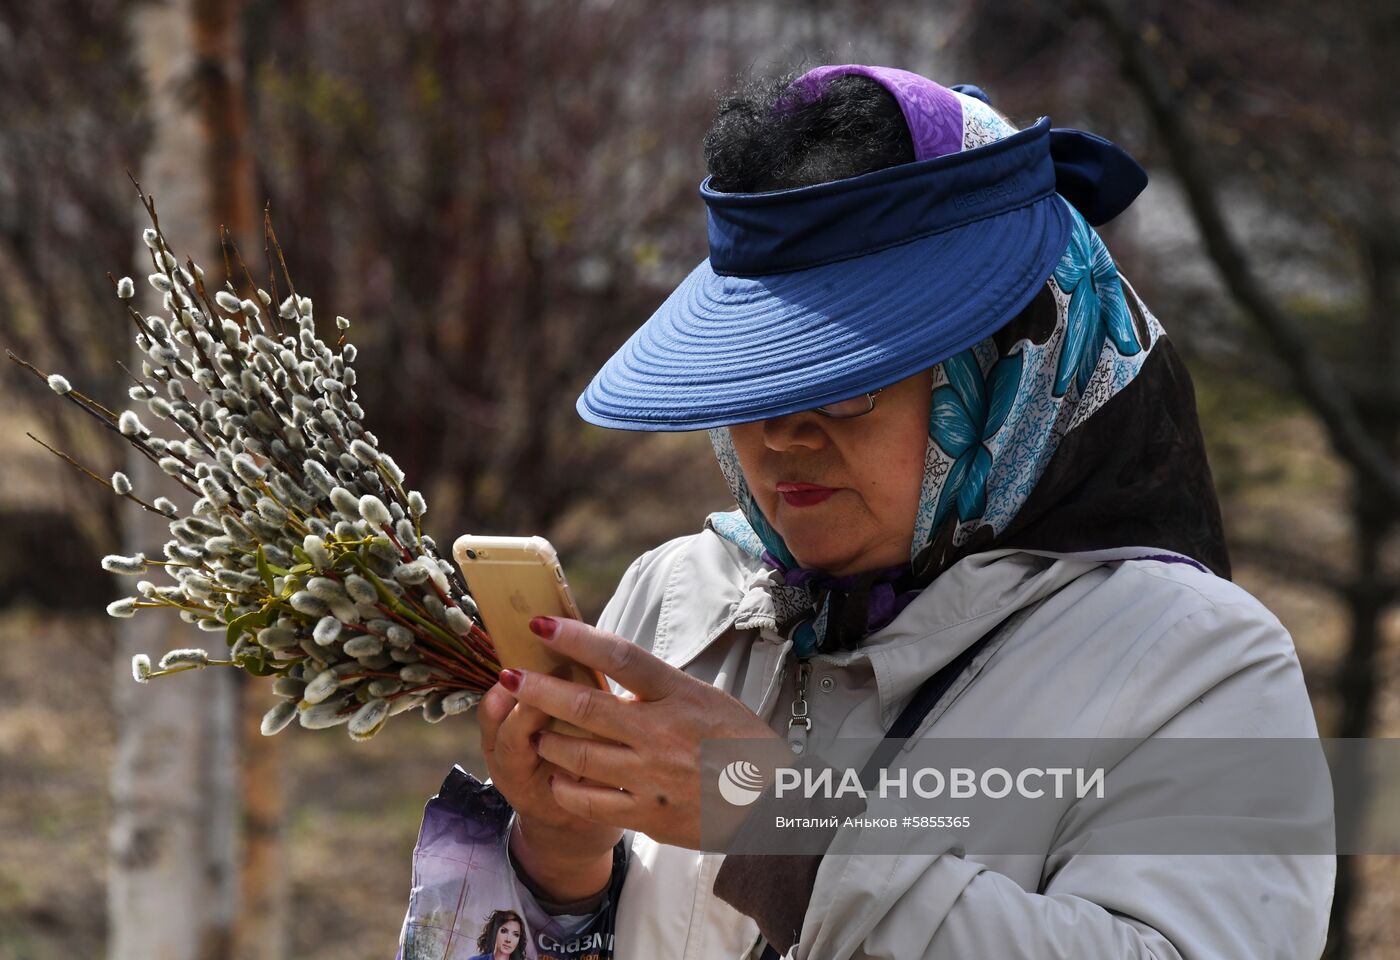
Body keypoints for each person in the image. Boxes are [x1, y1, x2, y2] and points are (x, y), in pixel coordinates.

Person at [415, 64, 1335, 959]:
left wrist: (780, 826)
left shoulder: (1198, 663)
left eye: (848, 380)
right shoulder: (680, 602)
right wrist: (557, 861)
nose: (781, 432)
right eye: (754, 377)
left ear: (1001, 375)